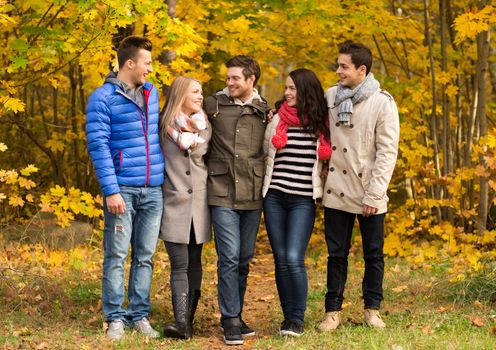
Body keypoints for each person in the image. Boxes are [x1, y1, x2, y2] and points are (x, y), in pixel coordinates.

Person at [85, 36, 164, 341]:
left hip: (153, 189)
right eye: (147, 63)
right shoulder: (102, 98)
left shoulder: (151, 93)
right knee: (116, 256)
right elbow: (98, 146)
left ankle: (140, 315)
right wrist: (111, 190)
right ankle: (115, 318)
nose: (151, 69)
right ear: (130, 63)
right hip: (122, 189)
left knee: (145, 256)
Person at [318, 41, 400, 331]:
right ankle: (332, 312)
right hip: (337, 188)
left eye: (344, 66)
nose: (338, 70)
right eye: (337, 65)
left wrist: (375, 194)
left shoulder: (382, 102)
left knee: (373, 254)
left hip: (368, 191)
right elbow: (314, 125)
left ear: (361, 70)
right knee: (336, 254)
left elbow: (387, 153)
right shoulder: (330, 96)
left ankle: (372, 309)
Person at [203, 55, 271, 346]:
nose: (229, 82)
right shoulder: (212, 104)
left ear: (250, 80)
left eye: (235, 78)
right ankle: (230, 319)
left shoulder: (263, 109)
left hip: (252, 193)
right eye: (227, 77)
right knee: (228, 257)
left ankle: (236, 314)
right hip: (221, 190)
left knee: (243, 258)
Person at [263, 68, 331, 337]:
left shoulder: (322, 122)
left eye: (292, 88)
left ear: (305, 91)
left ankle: (298, 318)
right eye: (286, 88)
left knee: (294, 258)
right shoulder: (277, 118)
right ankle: (288, 318)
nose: (287, 93)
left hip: (303, 199)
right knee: (281, 259)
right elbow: (263, 152)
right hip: (275, 196)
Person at [158, 76, 212, 339]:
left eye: (201, 92)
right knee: (179, 263)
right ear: (180, 94)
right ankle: (181, 323)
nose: (200, 96)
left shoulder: (205, 126)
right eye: (195, 92)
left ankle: (188, 322)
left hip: (199, 204)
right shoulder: (163, 126)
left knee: (195, 262)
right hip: (173, 202)